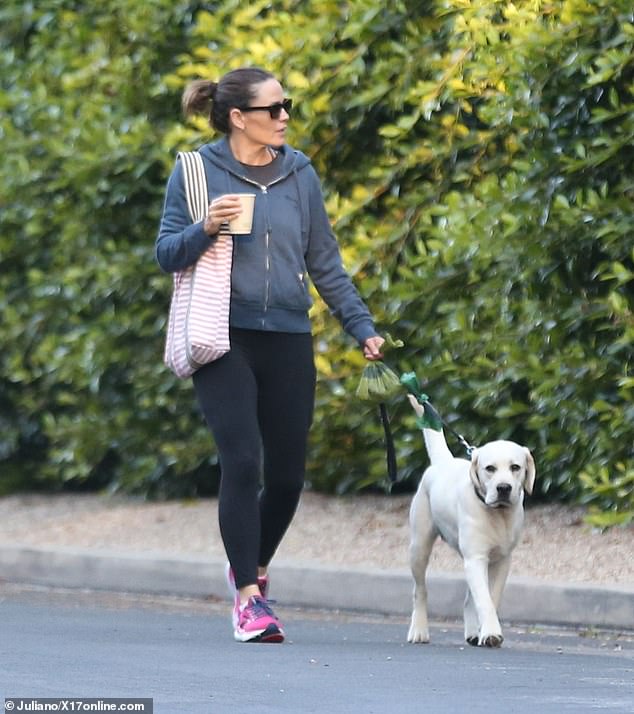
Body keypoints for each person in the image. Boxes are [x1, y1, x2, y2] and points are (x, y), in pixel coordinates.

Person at [156, 67, 385, 643]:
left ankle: (251, 564)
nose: (286, 116)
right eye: (275, 108)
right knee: (242, 459)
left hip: (287, 332)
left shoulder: (299, 172)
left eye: (288, 106)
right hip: (222, 334)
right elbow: (166, 253)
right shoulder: (195, 171)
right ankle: (249, 601)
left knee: (287, 476)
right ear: (239, 117)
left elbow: (324, 261)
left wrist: (361, 327)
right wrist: (205, 226)